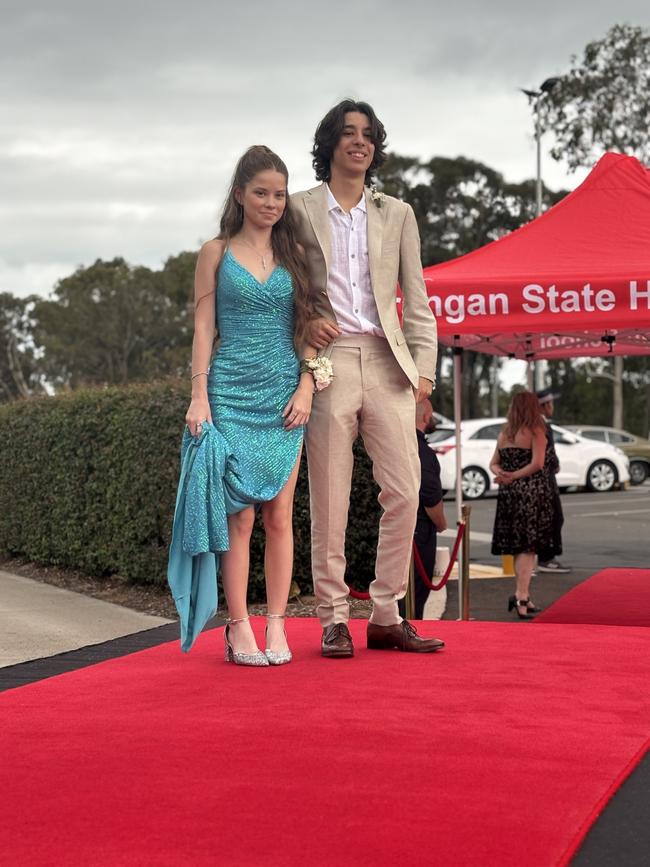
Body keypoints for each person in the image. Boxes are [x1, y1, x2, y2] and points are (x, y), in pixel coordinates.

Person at [292, 99, 444, 656]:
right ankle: (333, 618)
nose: (360, 142)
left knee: (405, 491)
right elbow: (283, 285)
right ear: (330, 144)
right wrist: (305, 324)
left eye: (368, 135)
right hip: (328, 360)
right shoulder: (297, 208)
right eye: (349, 133)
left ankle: (385, 613)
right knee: (330, 496)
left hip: (388, 361)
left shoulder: (397, 213)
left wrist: (423, 372)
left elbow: (418, 299)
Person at [167, 145, 320, 665]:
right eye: (261, 193)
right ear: (239, 194)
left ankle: (277, 623)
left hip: (285, 395)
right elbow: (204, 330)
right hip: (229, 393)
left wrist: (306, 386)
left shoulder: (297, 253)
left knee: (280, 515)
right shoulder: (215, 251)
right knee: (240, 520)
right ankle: (239, 627)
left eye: (279, 194)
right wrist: (198, 397)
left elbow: (314, 329)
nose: (272, 203)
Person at [490, 391, 555, 619]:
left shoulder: (505, 433)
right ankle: (521, 597)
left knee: (519, 547)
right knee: (528, 548)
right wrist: (515, 475)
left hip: (508, 495)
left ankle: (522, 593)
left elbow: (493, 464)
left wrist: (504, 475)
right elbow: (538, 464)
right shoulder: (537, 430)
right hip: (530, 494)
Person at [398, 397, 447, 620]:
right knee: (416, 591)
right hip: (419, 531)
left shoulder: (398, 445)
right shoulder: (423, 453)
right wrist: (441, 522)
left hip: (397, 526)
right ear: (426, 416)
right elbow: (430, 495)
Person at [535, 387, 570, 573]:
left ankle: (546, 556)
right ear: (545, 405)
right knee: (554, 517)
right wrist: (554, 464)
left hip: (542, 476)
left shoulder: (537, 424)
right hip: (545, 478)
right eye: (550, 403)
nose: (552, 407)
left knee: (550, 516)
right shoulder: (542, 426)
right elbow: (547, 454)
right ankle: (546, 557)